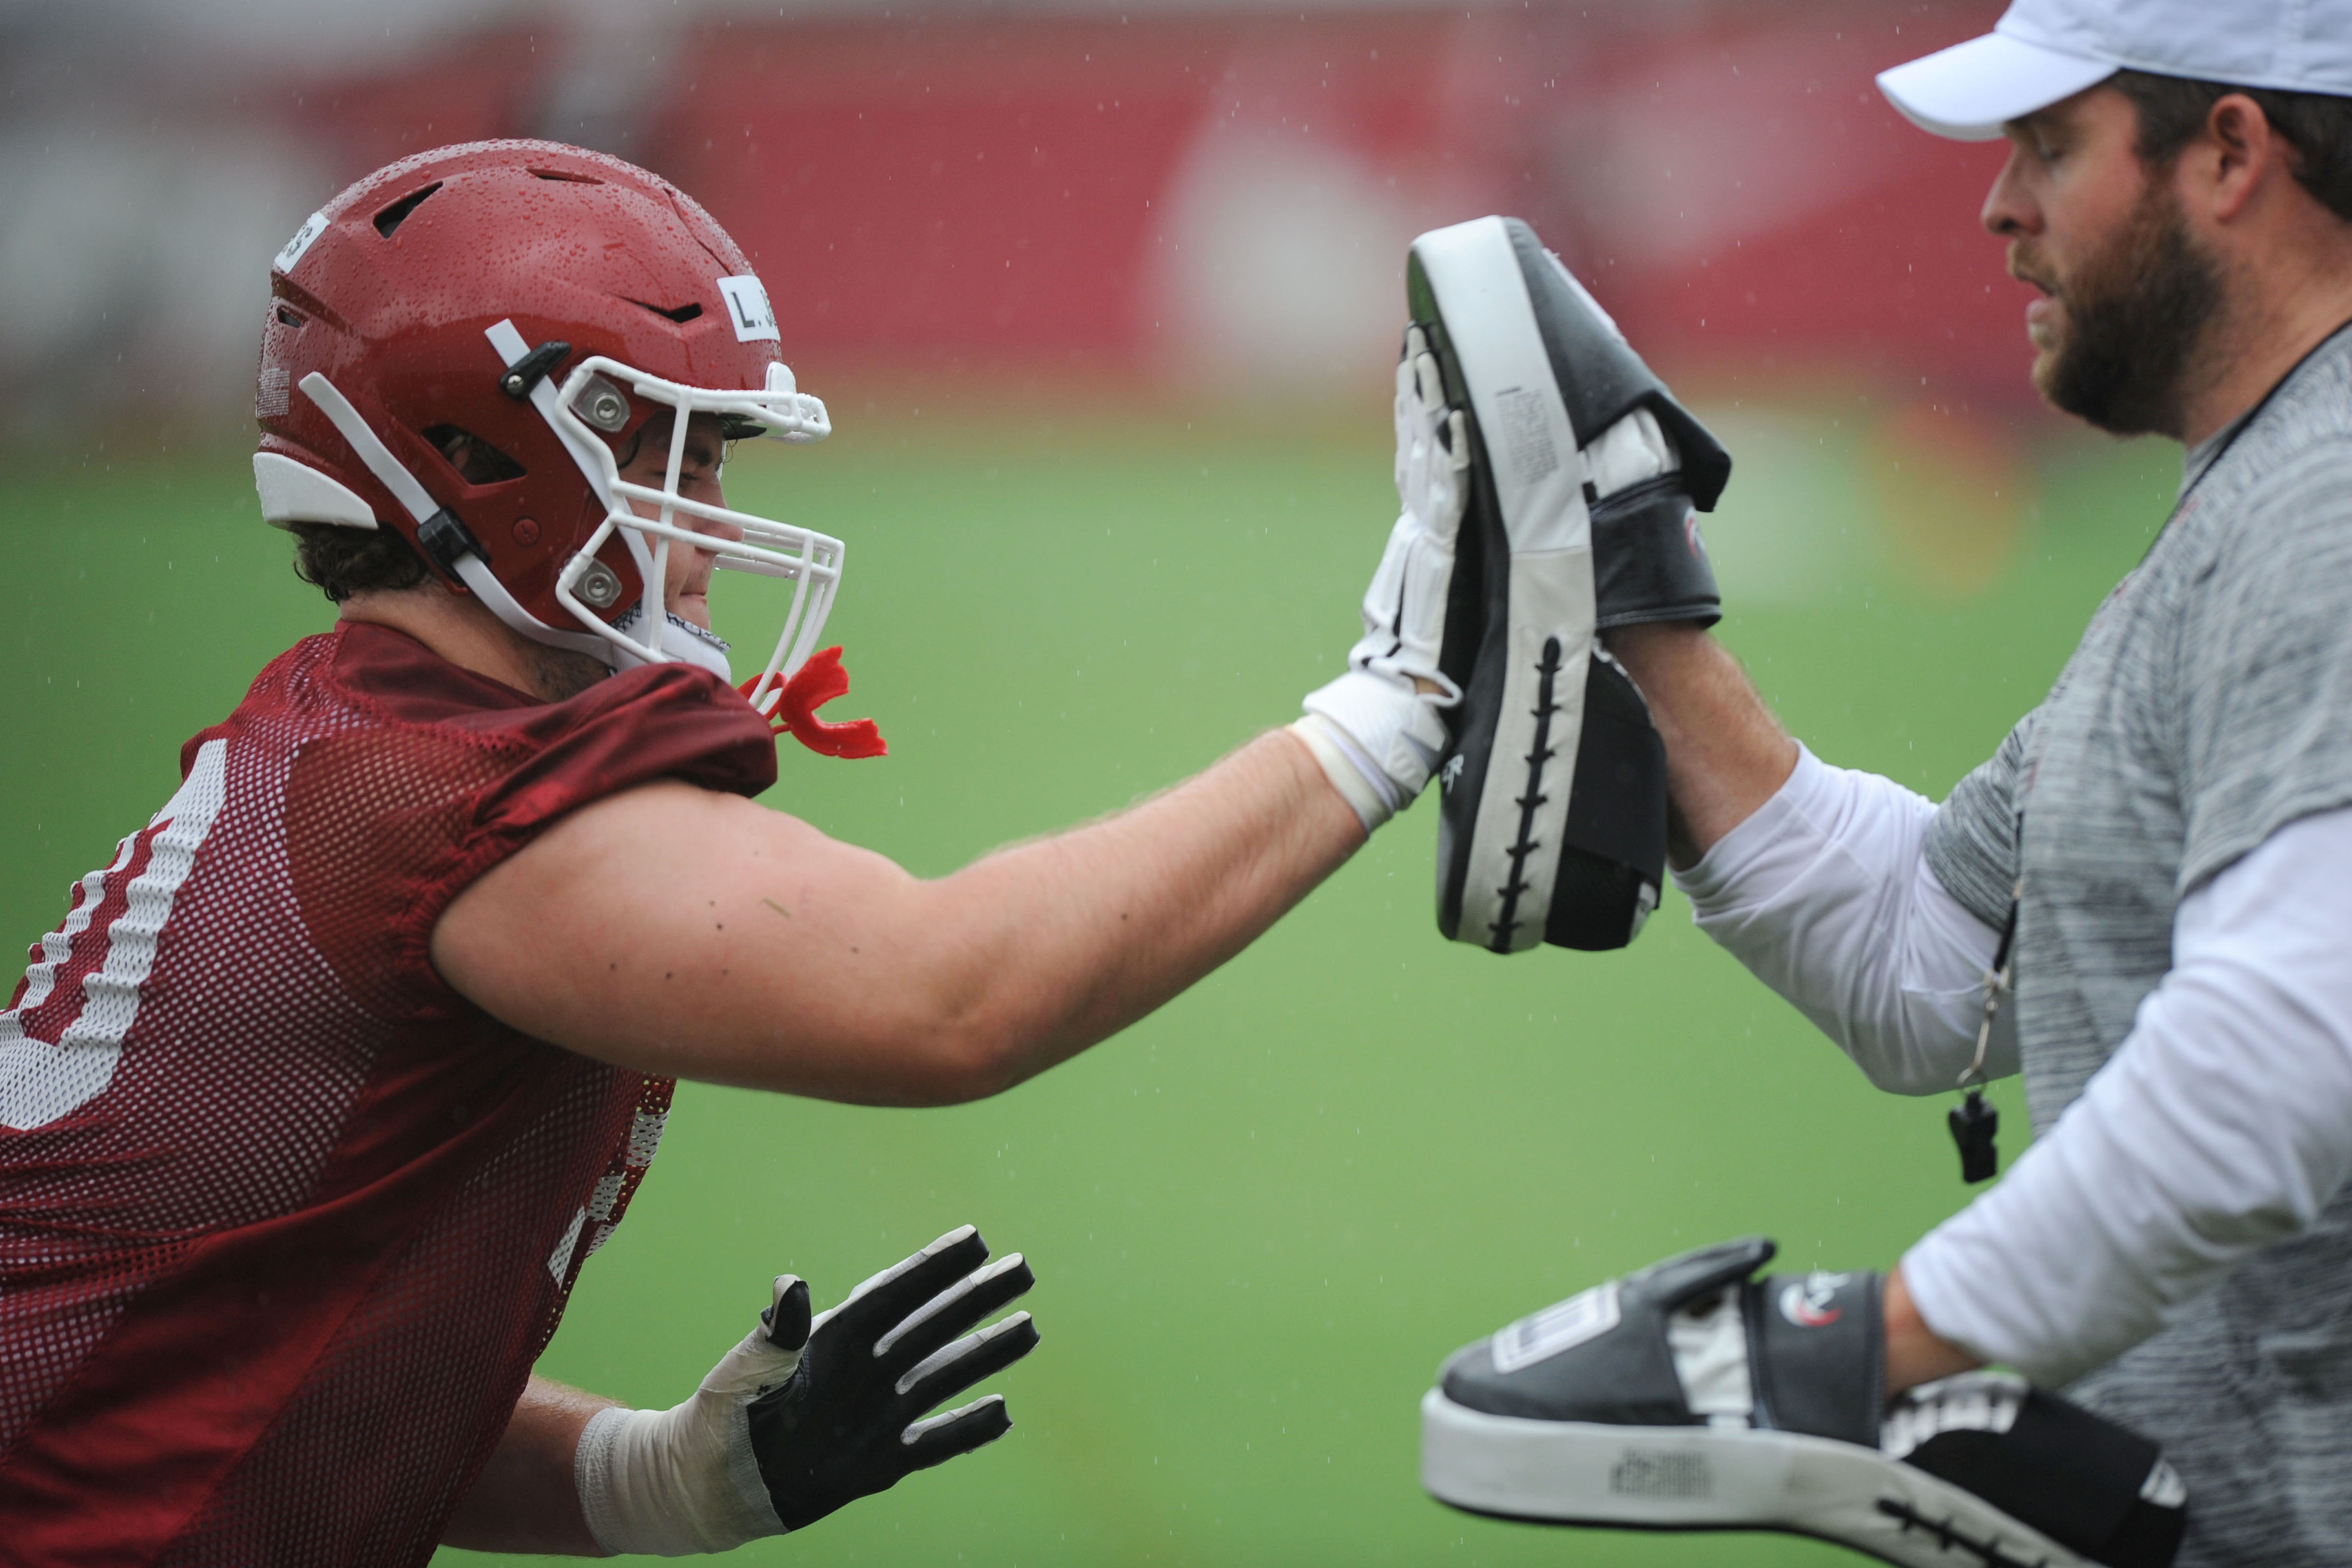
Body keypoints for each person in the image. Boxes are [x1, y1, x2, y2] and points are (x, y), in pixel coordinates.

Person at [0, 138, 1710, 1563]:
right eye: (667, 442)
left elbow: (285, 1369)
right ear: (471, 454)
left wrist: (654, 1480)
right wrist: (1398, 698)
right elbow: (946, 996)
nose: (708, 512)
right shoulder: (428, 795)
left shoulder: (370, 746)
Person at [1527, 1, 2352, 1561]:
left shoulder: (2330, 506)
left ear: (2234, 152)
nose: (1999, 204)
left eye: (2050, 146)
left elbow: (2285, 1054)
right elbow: (1935, 958)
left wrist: (1865, 1346)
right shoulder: (2258, 505)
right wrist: (1631, 595)